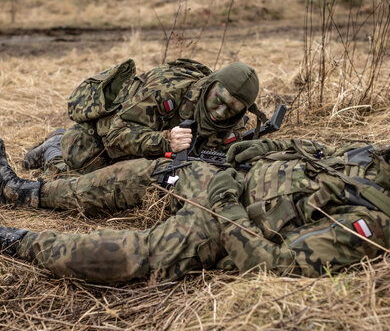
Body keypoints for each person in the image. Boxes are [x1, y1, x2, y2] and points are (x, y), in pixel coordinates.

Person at [0, 137, 389, 283]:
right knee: (141, 173)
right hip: (226, 176)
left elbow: (270, 263)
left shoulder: (372, 222)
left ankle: (18, 242)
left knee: (137, 254)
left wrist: (223, 203)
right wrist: (260, 150)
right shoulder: (374, 158)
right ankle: (26, 191)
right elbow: (315, 153)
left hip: (220, 224)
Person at [23, 58, 264, 175]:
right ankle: (53, 149)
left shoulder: (233, 123)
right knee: (83, 168)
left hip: (153, 157)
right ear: (210, 86)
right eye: (218, 101)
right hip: (104, 138)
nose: (220, 112)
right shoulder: (165, 90)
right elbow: (116, 136)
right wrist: (165, 141)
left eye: (231, 110)